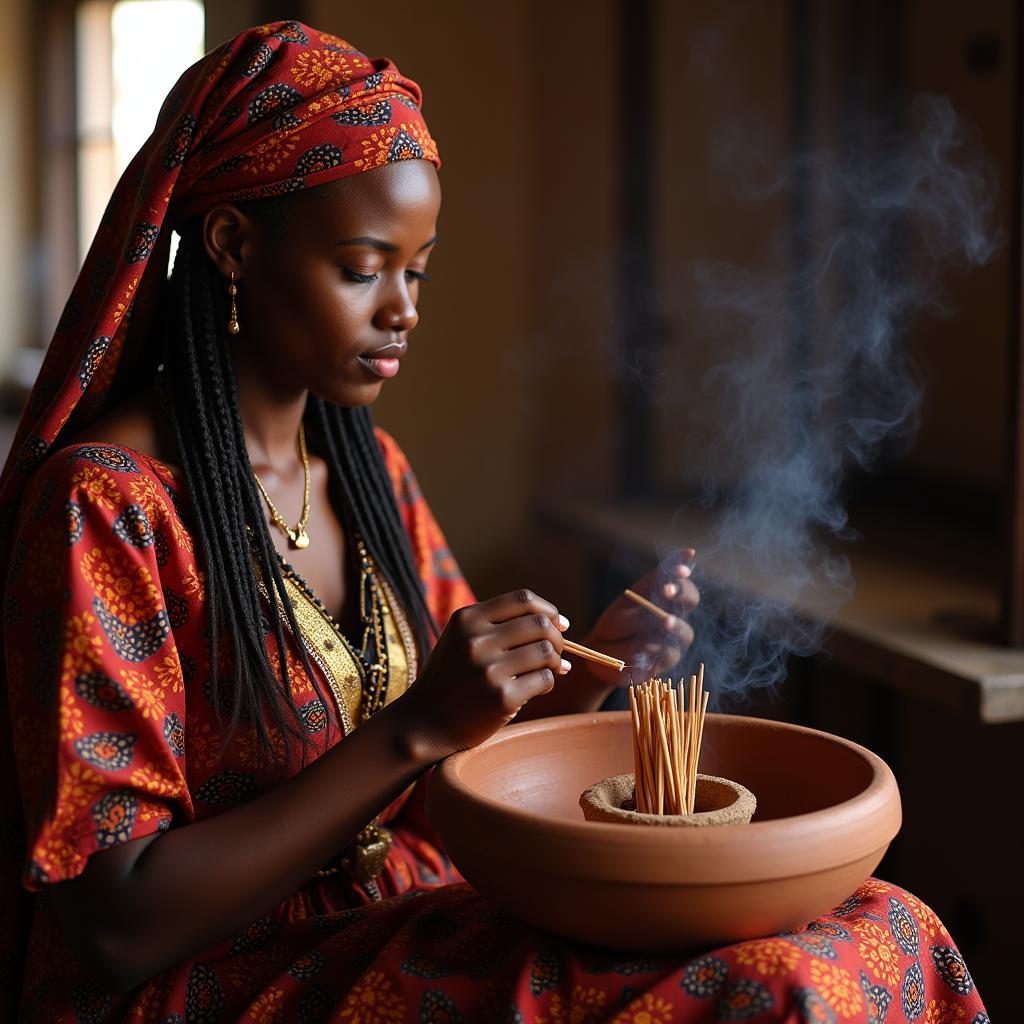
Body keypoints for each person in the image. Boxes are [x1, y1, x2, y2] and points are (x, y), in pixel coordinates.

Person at [0, 21, 987, 1023]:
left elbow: (447, 773)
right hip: (220, 976)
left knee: (879, 925)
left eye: (416, 271)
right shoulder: (110, 504)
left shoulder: (364, 466)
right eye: (362, 267)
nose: (404, 310)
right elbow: (116, 926)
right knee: (760, 990)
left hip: (396, 914)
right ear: (233, 246)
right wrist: (416, 725)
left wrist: (588, 673)